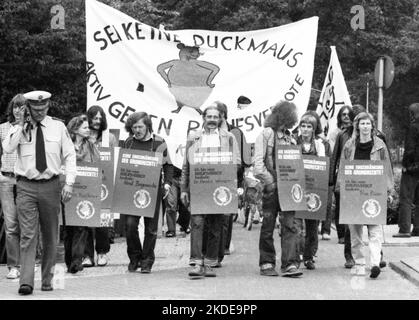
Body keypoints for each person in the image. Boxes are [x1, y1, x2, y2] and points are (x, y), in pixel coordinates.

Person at [3, 90, 76, 295]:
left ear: (48, 106)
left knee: (52, 236)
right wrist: (21, 125)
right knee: (28, 235)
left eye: (43, 108)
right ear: (29, 108)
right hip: (25, 186)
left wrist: (69, 183)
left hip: (51, 186)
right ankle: (25, 282)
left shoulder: (58, 126)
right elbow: (8, 148)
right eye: (35, 109)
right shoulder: (18, 128)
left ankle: (49, 280)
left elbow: (70, 156)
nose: (40, 112)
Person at [181, 105, 241, 278]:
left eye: (216, 117)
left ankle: (210, 262)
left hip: (219, 187)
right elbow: (186, 165)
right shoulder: (194, 137)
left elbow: (237, 162)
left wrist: (219, 169)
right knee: (197, 223)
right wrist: (184, 189)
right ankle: (197, 262)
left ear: (221, 118)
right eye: (209, 117)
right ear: (204, 118)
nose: (212, 120)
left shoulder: (229, 138)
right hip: (198, 187)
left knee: (215, 225)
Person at [341, 112, 394, 278]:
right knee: (355, 233)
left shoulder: (380, 145)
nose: (365, 126)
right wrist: (340, 188)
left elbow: (387, 167)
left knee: (375, 230)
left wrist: (389, 189)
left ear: (372, 126)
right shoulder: (349, 145)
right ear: (357, 126)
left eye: (368, 123)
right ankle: (359, 263)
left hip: (374, 192)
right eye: (362, 123)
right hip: (354, 192)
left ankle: (375, 264)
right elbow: (343, 167)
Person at [254, 100, 303, 277]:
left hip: (289, 189)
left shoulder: (291, 138)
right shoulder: (266, 134)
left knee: (290, 225)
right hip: (272, 188)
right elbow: (258, 165)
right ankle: (266, 263)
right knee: (268, 225)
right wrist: (271, 182)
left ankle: (289, 264)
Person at [123, 112, 173, 273]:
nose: (137, 130)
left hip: (152, 189)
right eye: (134, 127)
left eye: (140, 127)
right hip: (132, 190)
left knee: (151, 228)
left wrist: (167, 184)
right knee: (130, 226)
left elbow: (169, 165)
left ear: (148, 126)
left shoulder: (159, 142)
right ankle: (135, 257)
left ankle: (147, 260)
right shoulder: (128, 142)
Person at [64, 115, 100, 274]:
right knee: (68, 228)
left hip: (85, 190)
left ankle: (76, 261)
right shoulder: (65, 145)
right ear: (75, 129)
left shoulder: (90, 146)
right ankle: (69, 260)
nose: (88, 130)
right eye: (85, 127)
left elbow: (97, 165)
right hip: (68, 189)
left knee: (81, 226)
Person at [82, 105, 118, 267]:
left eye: (100, 118)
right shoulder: (82, 135)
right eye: (94, 118)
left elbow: (115, 160)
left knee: (102, 221)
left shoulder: (109, 138)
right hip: (85, 182)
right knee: (85, 217)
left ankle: (102, 253)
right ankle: (87, 255)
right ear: (88, 119)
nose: (97, 121)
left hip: (104, 183)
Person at [297, 111, 326, 270]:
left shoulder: (319, 145)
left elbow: (321, 165)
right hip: (297, 187)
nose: (306, 129)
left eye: (309, 126)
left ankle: (309, 256)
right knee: (296, 225)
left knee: (312, 226)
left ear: (313, 129)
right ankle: (297, 253)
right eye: (303, 126)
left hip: (313, 188)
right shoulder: (294, 142)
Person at [0, 94, 25, 280]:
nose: (18, 110)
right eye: (16, 107)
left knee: (28, 225)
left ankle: (29, 263)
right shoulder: (2, 129)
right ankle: (14, 266)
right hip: (7, 179)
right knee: (11, 226)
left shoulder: (30, 128)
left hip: (26, 181)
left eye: (22, 107)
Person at [393, 103, 419, 237]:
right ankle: (418, 229)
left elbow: (409, 150)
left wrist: (405, 166)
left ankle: (404, 229)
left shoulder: (413, 128)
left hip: (412, 169)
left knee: (406, 198)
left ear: (412, 114)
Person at [164, 166, 191, 238]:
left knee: (185, 202)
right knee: (171, 203)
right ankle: (171, 230)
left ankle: (185, 225)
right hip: (171, 177)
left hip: (185, 176)